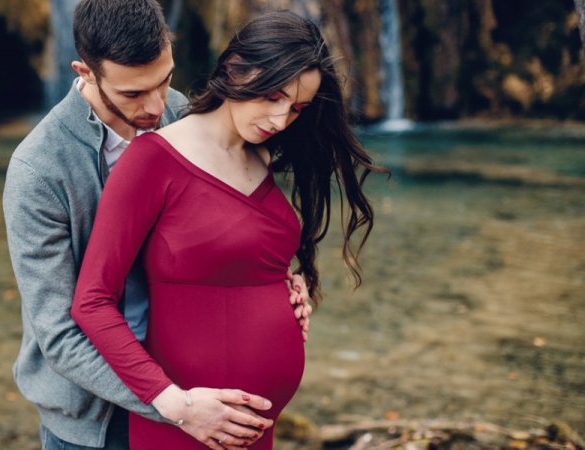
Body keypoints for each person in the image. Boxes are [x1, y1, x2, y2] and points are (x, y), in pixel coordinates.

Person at [70, 10, 387, 450]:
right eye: (273, 96)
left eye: (297, 108)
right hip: (191, 422)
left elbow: (234, 253)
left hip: (255, 425)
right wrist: (174, 404)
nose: (280, 119)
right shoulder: (151, 161)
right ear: (237, 69)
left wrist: (284, 285)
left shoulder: (262, 153)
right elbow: (91, 302)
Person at [2, 1, 312, 449]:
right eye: (133, 94)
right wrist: (172, 404)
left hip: (197, 397)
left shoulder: (181, 114)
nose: (156, 105)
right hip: (95, 419)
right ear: (85, 72)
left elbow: (222, 226)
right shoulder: (40, 169)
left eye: (164, 80)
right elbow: (59, 330)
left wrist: (274, 283)